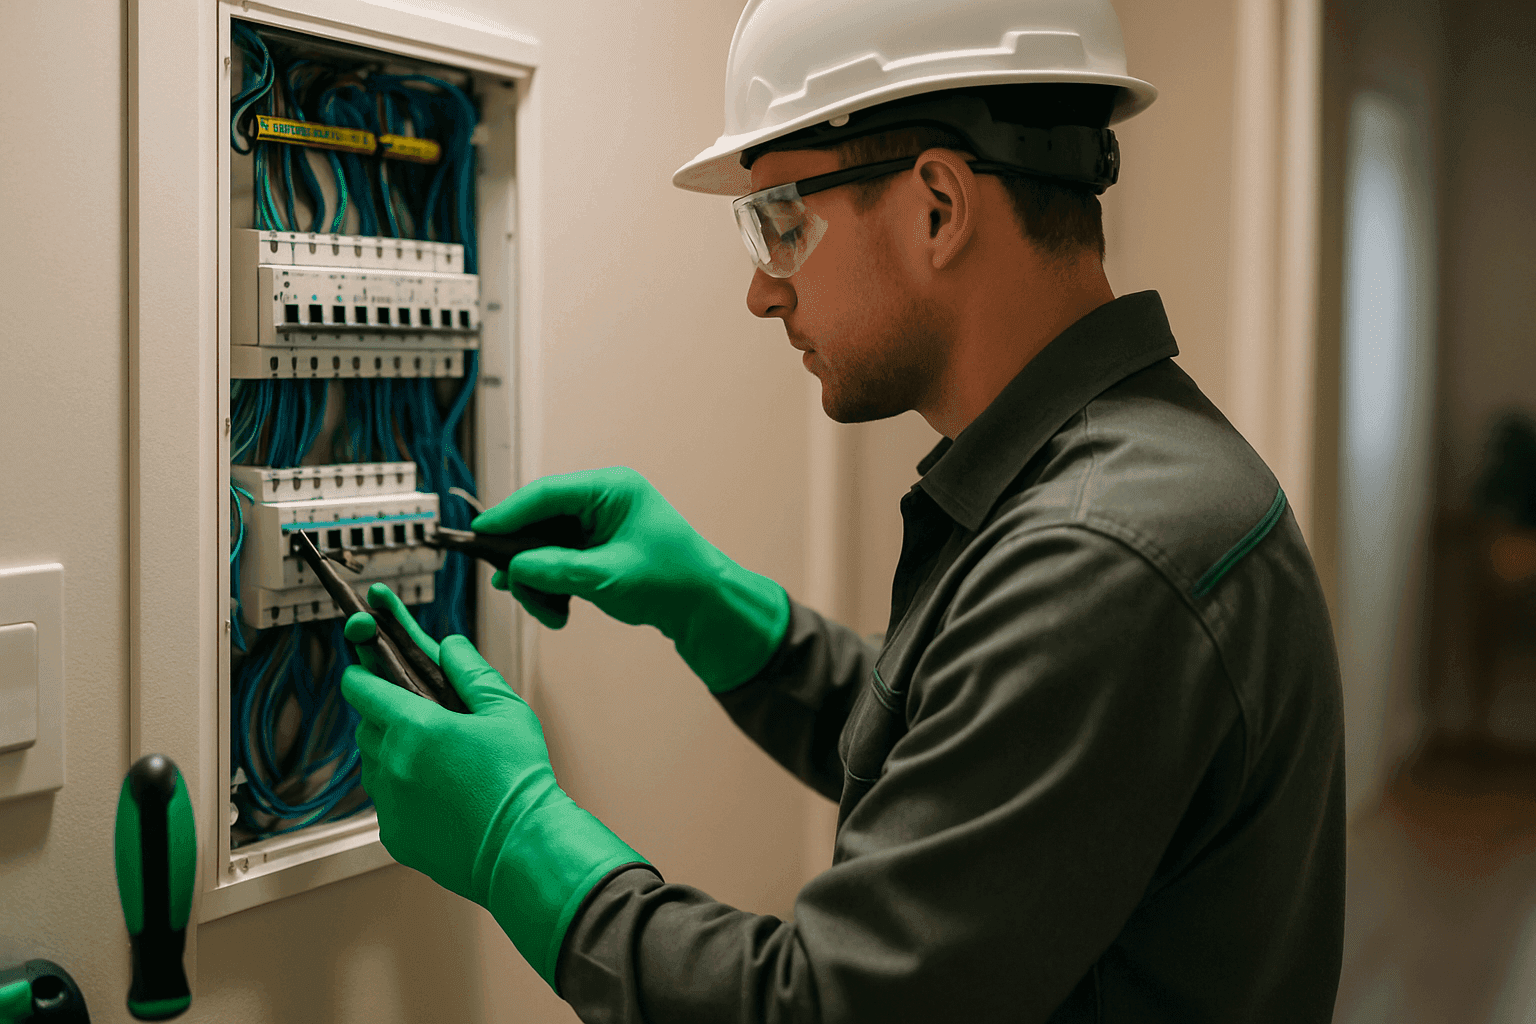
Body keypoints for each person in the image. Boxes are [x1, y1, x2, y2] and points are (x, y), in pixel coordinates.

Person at [339, 0, 1347, 1019]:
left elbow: (827, 1007)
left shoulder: (1102, 556)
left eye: (781, 222)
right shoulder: (1125, 476)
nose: (762, 293)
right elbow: (975, 769)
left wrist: (517, 835)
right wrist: (718, 607)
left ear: (940, 208)